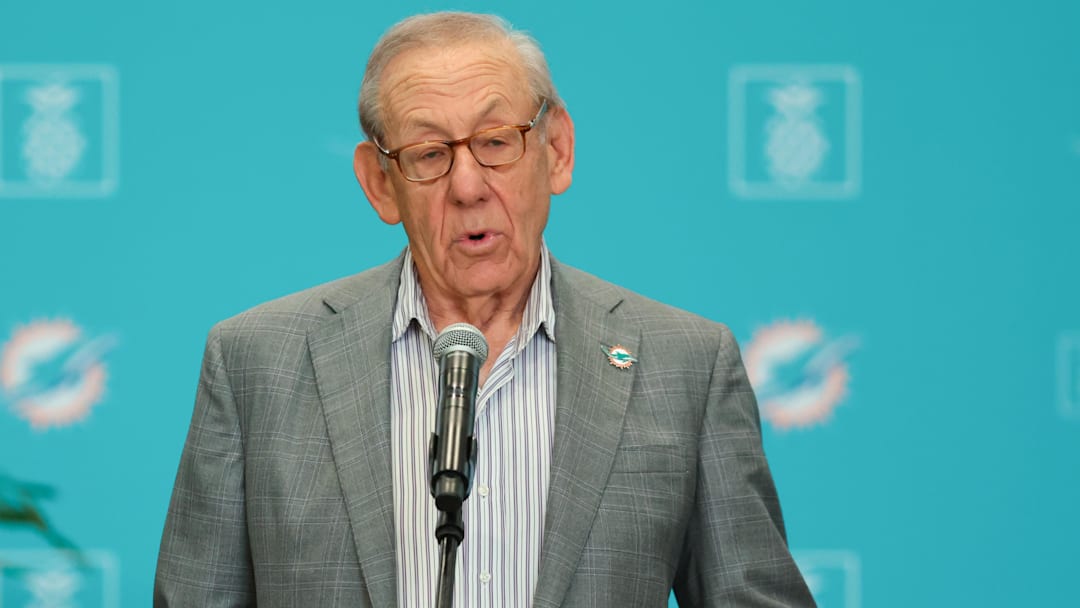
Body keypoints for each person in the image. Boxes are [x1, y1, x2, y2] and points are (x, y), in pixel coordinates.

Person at [154, 11, 814, 608]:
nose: (468, 186)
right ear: (381, 184)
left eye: (497, 142)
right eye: (430, 155)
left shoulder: (685, 366)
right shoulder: (256, 364)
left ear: (557, 150)